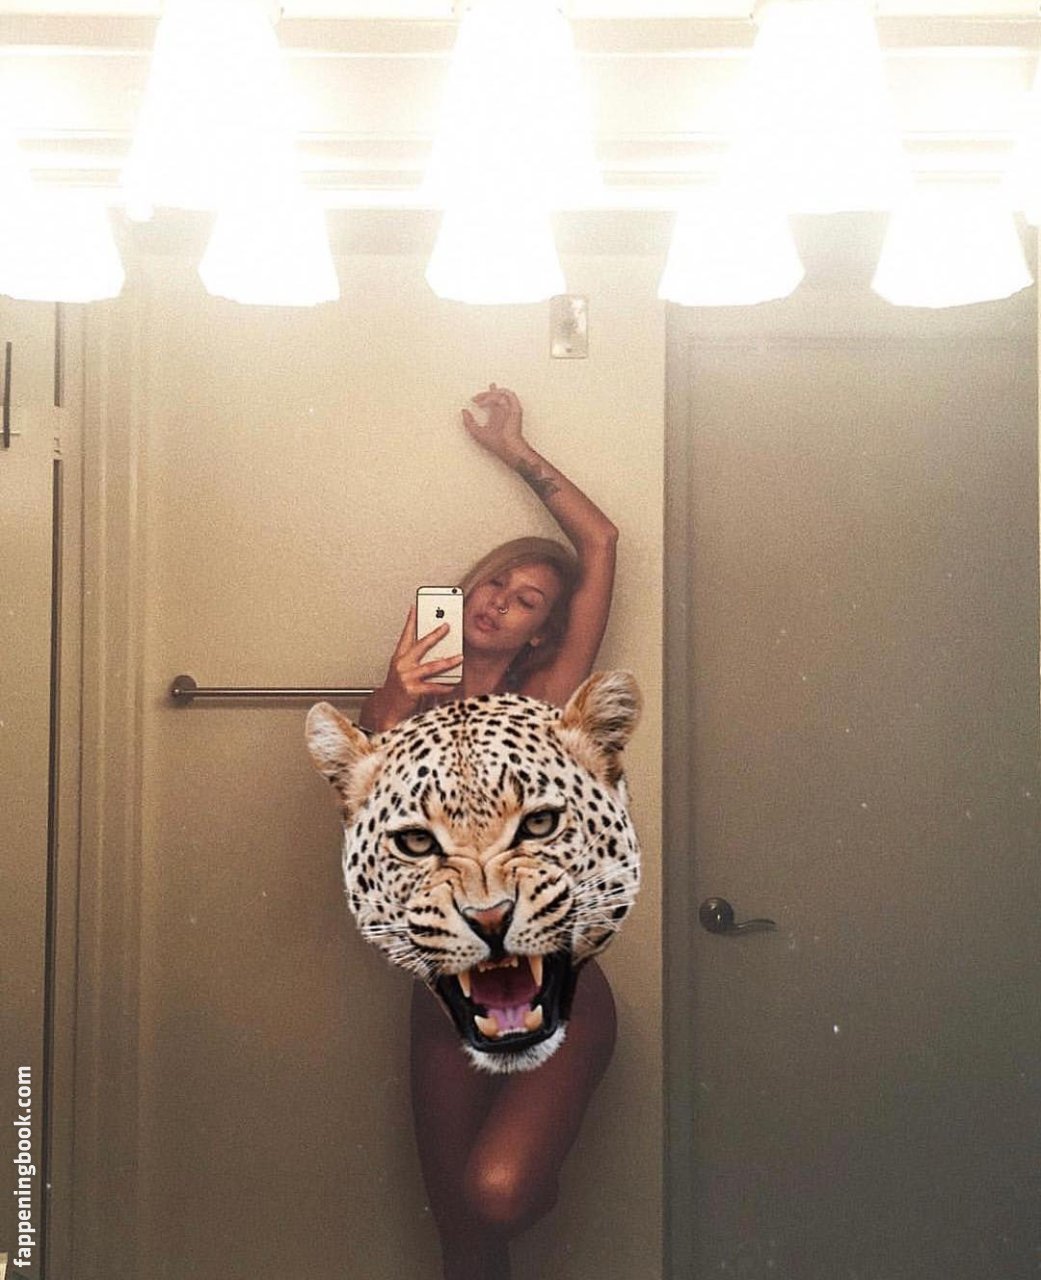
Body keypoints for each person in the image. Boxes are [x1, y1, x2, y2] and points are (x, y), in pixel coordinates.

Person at [359, 384, 620, 1280]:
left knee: (496, 1195)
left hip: (554, 986)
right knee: (463, 1241)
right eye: (495, 584)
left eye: (527, 601)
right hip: (443, 994)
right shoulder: (401, 701)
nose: (500, 603)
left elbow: (600, 542)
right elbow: (366, 834)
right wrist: (392, 701)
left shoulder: (543, 702)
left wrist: (513, 450)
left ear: (544, 635)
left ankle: (528, 1188)